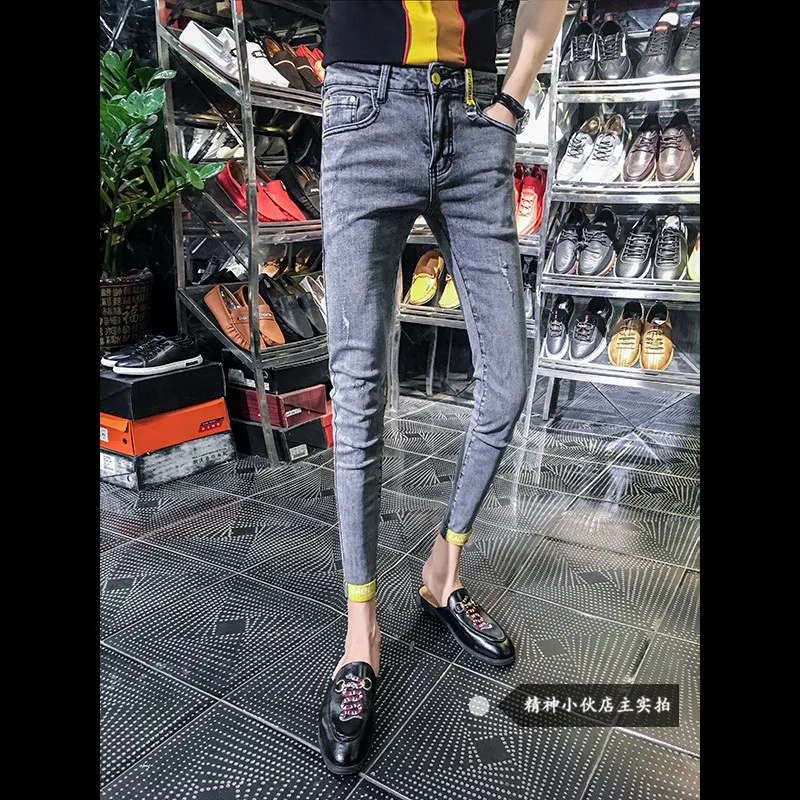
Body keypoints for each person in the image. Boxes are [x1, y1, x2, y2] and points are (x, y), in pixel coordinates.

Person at [317, 0, 568, 775]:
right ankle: (360, 633)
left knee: (508, 381)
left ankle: (442, 572)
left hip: (473, 113)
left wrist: (512, 100)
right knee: (358, 389)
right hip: (364, 106)